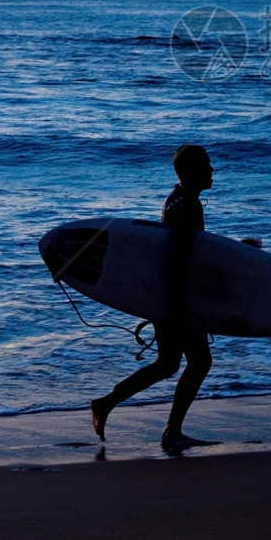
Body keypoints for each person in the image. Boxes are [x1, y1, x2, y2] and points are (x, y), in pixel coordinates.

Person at [89, 143, 217, 451]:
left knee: (169, 363)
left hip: (164, 295)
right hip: (175, 298)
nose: (212, 170)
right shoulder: (188, 205)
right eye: (205, 165)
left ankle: (106, 403)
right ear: (187, 172)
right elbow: (185, 259)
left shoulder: (176, 199)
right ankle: (171, 432)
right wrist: (186, 305)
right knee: (198, 362)